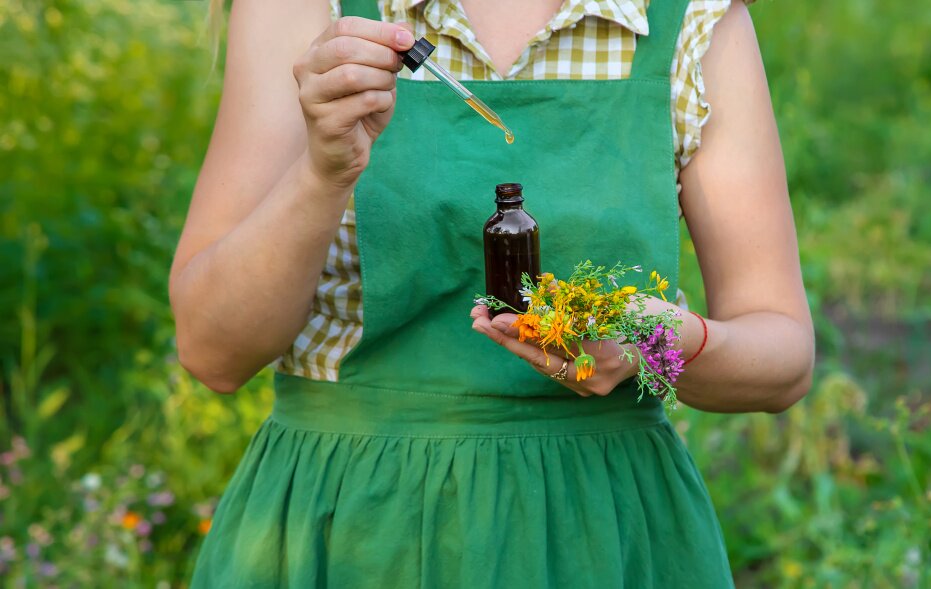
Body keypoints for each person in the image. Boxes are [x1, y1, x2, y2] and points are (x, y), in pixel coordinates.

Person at [171, 0, 814, 585]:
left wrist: (654, 341)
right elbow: (213, 351)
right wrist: (323, 172)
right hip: (351, 531)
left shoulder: (690, 21)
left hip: (601, 537)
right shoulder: (303, 11)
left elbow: (781, 358)